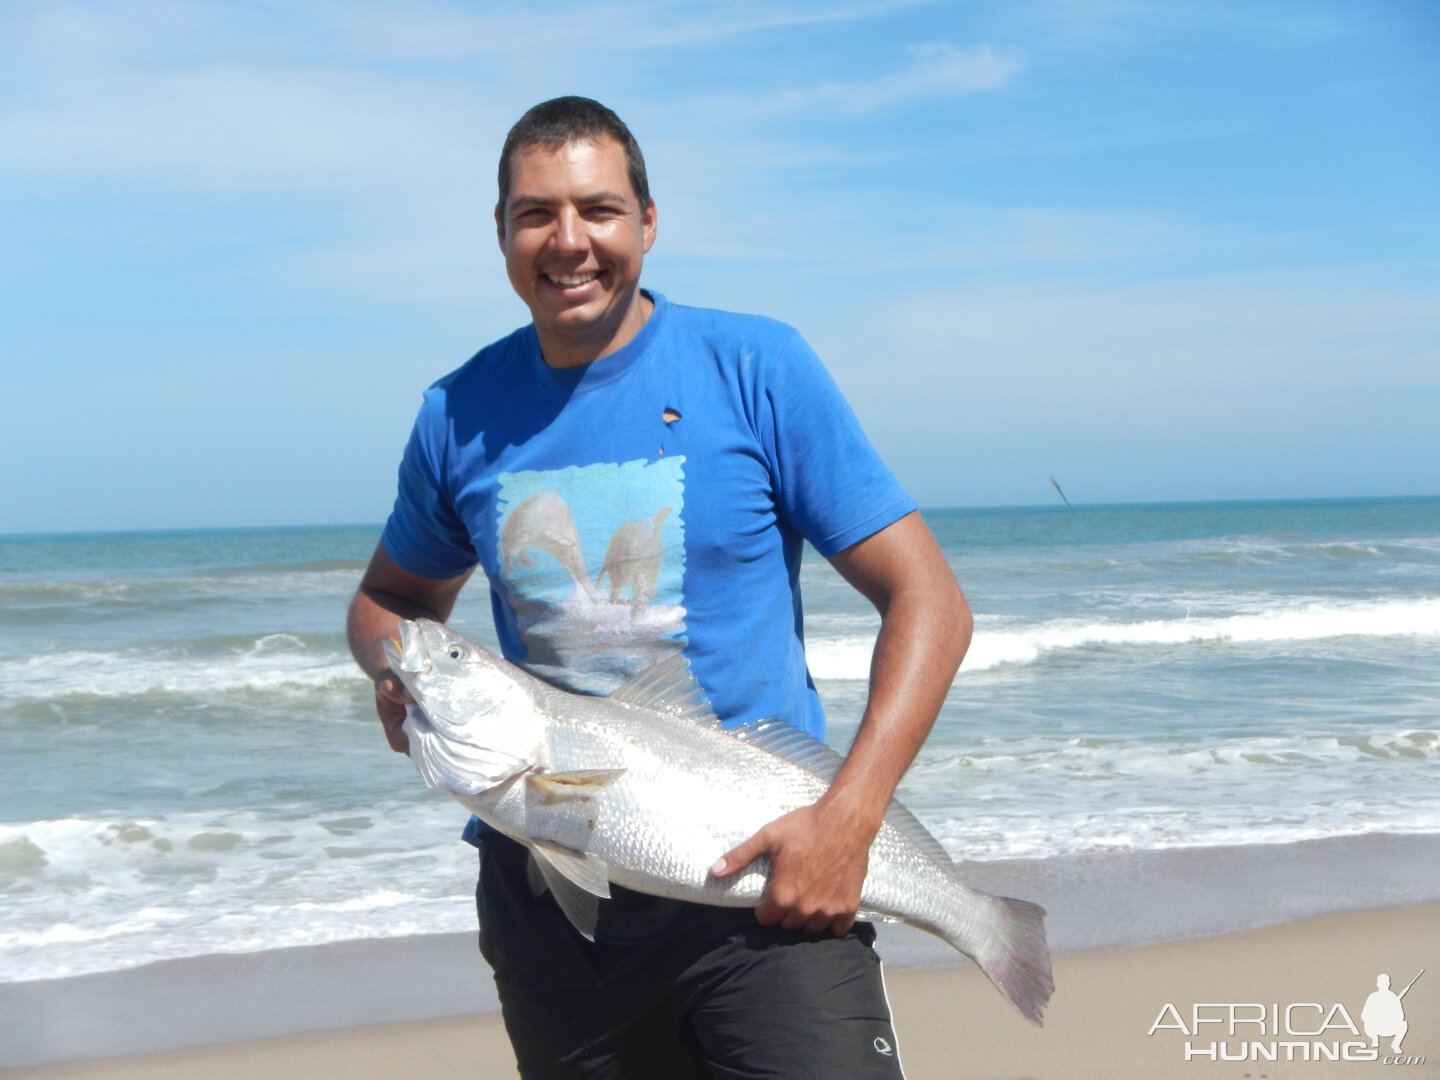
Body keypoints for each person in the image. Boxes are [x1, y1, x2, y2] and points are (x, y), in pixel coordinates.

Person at [347, 95, 972, 1078]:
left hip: (770, 875)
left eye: (597, 209)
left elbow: (928, 599)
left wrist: (846, 824)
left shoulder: (756, 366)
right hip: (552, 889)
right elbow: (390, 602)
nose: (569, 241)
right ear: (503, 234)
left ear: (648, 220)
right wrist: (395, 671)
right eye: (535, 214)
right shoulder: (457, 413)